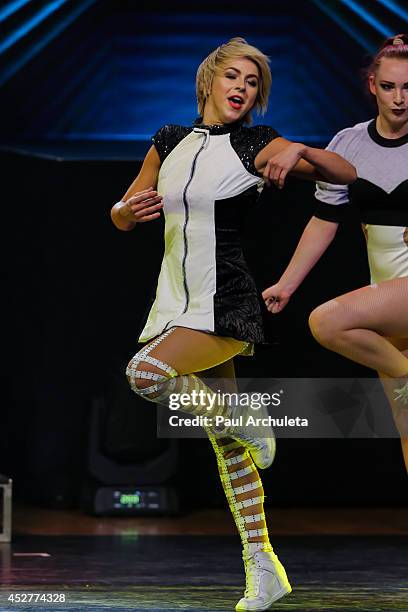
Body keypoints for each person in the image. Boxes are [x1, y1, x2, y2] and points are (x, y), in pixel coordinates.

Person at [111, 37, 356, 611]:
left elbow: (344, 171)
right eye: (234, 78)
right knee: (227, 446)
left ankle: (248, 418)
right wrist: (125, 213)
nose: (243, 88)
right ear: (209, 83)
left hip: (226, 300)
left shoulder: (258, 144)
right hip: (174, 298)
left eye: (253, 82)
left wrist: (297, 148)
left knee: (145, 376)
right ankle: (262, 565)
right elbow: (123, 212)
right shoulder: (168, 139)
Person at [263, 34, 408, 474]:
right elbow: (326, 220)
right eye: (389, 87)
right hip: (388, 293)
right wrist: (286, 284)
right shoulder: (348, 143)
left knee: (327, 320)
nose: (399, 99)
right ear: (372, 86)